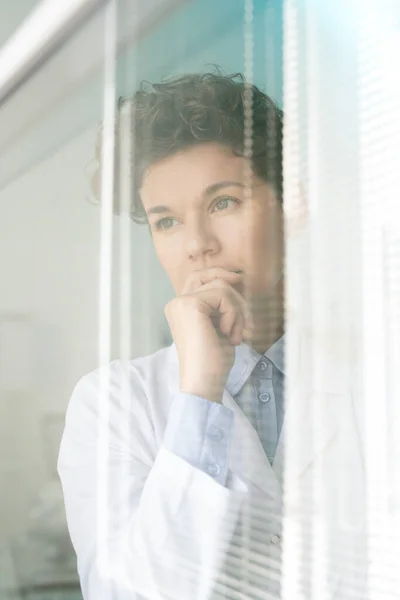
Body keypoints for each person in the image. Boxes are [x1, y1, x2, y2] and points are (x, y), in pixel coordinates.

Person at [58, 71, 366, 600]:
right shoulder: (110, 403)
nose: (197, 244)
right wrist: (199, 392)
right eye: (167, 222)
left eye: (223, 203)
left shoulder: (378, 368)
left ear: (294, 206)